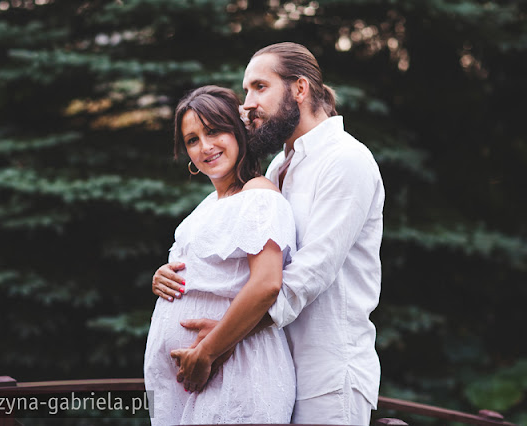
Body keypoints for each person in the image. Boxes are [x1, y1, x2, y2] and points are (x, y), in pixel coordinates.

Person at [152, 42, 385, 425]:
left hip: (326, 372)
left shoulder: (346, 159)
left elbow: (309, 274)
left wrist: (221, 340)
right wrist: (172, 275)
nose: (247, 104)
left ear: (299, 89)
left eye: (259, 87)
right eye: (246, 90)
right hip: (272, 364)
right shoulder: (280, 166)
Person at [143, 85, 297, 425]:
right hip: (192, 382)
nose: (204, 147)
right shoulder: (208, 205)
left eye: (214, 131)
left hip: (237, 370)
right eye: (192, 139)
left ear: (238, 130)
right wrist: (163, 276)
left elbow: (267, 283)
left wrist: (207, 352)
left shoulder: (258, 194)